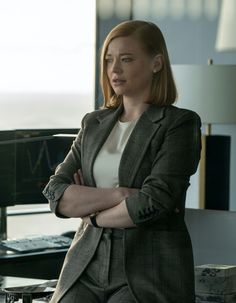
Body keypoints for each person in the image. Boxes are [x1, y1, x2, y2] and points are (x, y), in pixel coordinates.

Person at [43, 20, 201, 303]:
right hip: (85, 264)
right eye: (109, 60)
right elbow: (56, 193)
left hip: (147, 269)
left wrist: (91, 214)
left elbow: (153, 203)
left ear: (156, 63)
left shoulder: (179, 124)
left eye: (126, 59)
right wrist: (118, 194)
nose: (114, 70)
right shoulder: (93, 123)